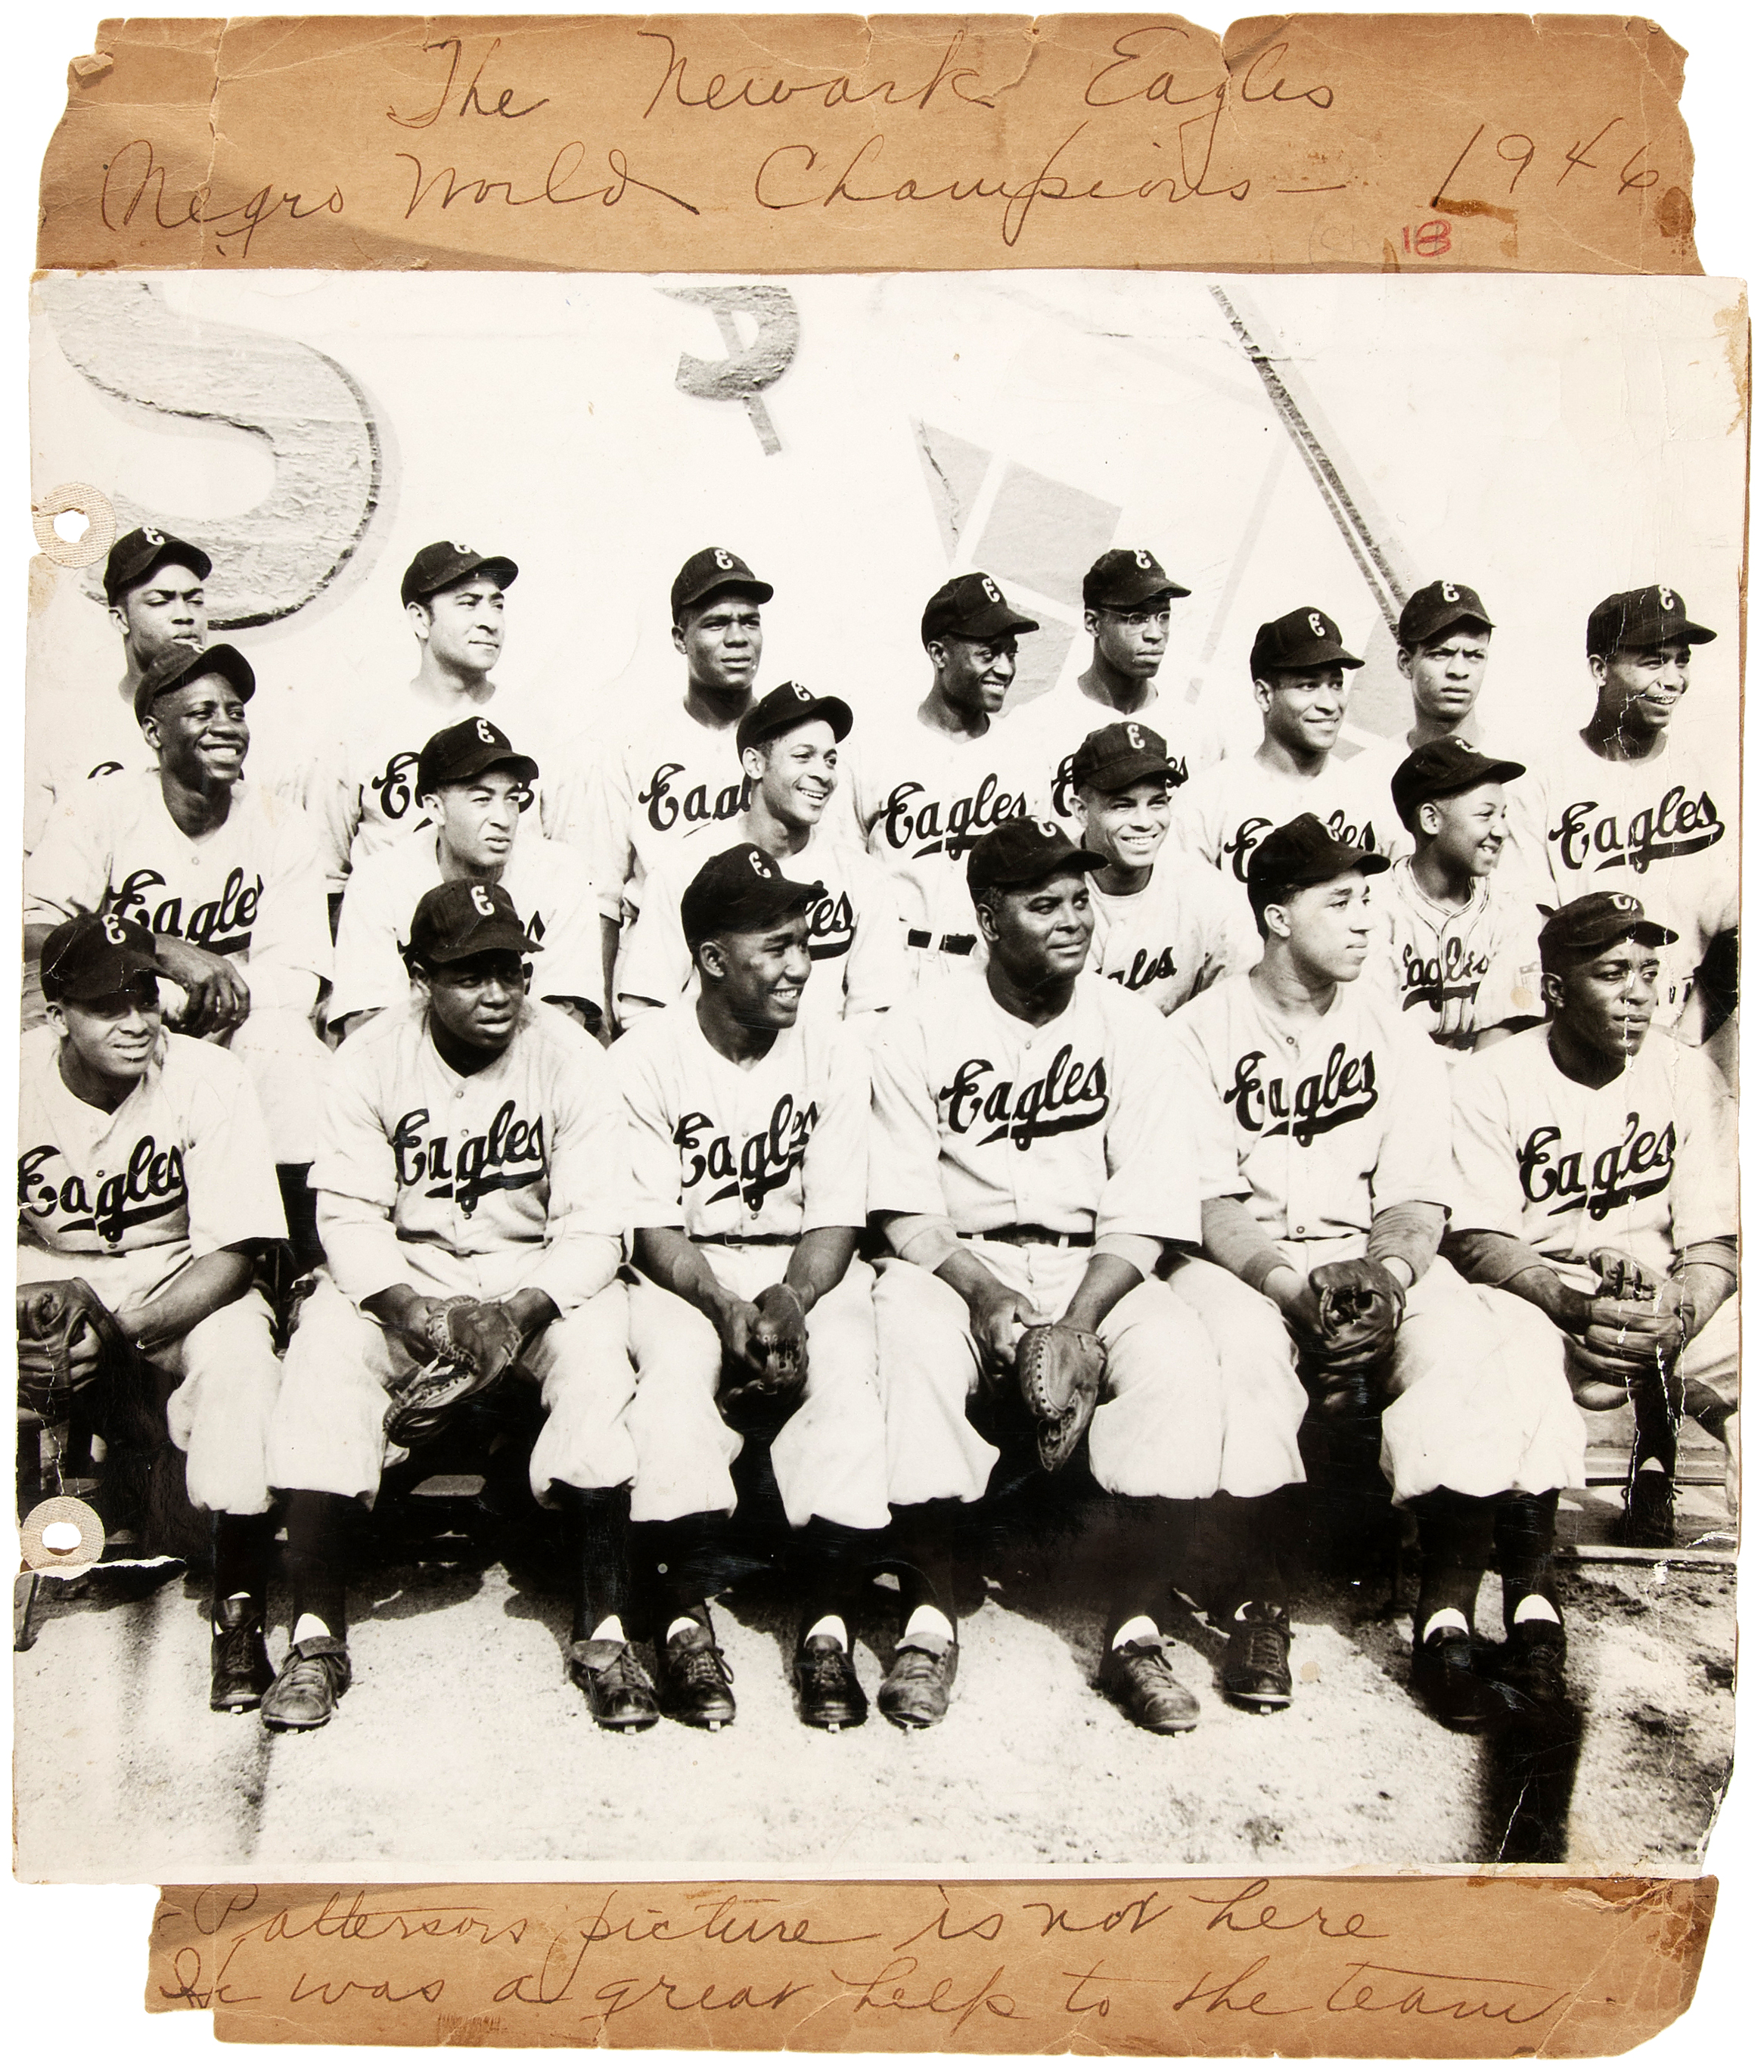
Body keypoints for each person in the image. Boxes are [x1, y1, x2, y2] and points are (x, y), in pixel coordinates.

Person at [1166, 815, 1582, 1732]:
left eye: (1368, 902)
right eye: (1340, 903)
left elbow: (1418, 1194)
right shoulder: (1196, 1033)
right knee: (1236, 1348)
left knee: (1465, 1337)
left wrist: (1390, 1277)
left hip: (1367, 1252)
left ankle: (1441, 1618)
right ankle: (1255, 1599)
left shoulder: (1393, 1033)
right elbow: (1205, 1204)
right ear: (1276, 917)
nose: (1365, 922)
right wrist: (1287, 1287)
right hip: (1245, 1266)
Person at [867, 816, 1244, 1735]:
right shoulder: (916, 1027)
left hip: (1097, 1265)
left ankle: (1137, 1626)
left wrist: (1077, 1322)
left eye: (1082, 900)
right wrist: (985, 1294)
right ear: (989, 919)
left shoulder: (1133, 1027)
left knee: (1177, 1360)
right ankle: (927, 1614)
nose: (1074, 919)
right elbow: (903, 1208)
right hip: (963, 1261)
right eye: (1045, 904)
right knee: (908, 1338)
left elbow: (1150, 1206)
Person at [261, 881, 649, 1733]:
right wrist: (426, 1316)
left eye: (510, 969)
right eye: (470, 974)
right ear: (417, 976)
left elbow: (596, 1228)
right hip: (409, 1271)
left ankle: (609, 1634)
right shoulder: (368, 1057)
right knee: (326, 1348)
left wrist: (519, 1312)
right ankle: (317, 1635)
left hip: (538, 1275)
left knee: (596, 1357)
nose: (499, 992)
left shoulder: (570, 1053)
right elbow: (349, 1223)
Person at [612, 846, 891, 1730]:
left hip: (805, 1266)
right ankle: (686, 1617)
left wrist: (793, 1300)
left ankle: (827, 1626)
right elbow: (652, 1225)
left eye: (804, 942)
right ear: (711, 959)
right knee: (671, 1379)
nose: (800, 966)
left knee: (846, 1372)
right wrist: (723, 1305)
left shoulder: (835, 1048)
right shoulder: (643, 1056)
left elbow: (839, 1213)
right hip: (686, 1272)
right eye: (774, 946)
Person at [17, 913, 289, 1713]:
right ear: (55, 1010)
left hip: (178, 1276)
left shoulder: (208, 1076)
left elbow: (235, 1253)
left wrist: (120, 1332)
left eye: (145, 994)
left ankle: (238, 1608)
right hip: (50, 1276)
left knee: (242, 1359)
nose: (136, 1021)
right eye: (107, 1004)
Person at [1447, 891, 1738, 1557]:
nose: (1637, 994)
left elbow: (1714, 1240)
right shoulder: (1490, 1078)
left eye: (1648, 973)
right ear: (1554, 989)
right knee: (1491, 1343)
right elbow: (1478, 1237)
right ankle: (1521, 1561)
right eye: (1611, 973)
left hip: (1663, 1297)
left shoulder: (1687, 1074)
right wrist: (1571, 1306)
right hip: (1544, 1297)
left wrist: (1681, 1316)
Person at [23, 641, 333, 1253]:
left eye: (236, 711)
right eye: (202, 712)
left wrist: (212, 990)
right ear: (152, 731)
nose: (226, 726)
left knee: (294, 1050)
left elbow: (299, 975)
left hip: (230, 1020)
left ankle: (287, 1259)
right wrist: (162, 953)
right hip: (119, 1011)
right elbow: (35, 932)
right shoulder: (101, 805)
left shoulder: (283, 822)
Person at [1502, 586, 1734, 1042]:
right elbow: (1529, 936)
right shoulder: (1541, 783)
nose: (1672, 679)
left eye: (1681, 660)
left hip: (1689, 1031)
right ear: (1600, 668)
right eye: (1652, 661)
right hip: (1577, 1033)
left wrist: (1687, 1038)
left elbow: (1739, 931)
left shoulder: (1707, 777)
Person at [552, 548, 770, 1019]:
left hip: (761, 971)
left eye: (749, 622)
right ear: (680, 638)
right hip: (654, 975)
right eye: (716, 624)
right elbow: (601, 896)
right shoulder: (631, 746)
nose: (738, 639)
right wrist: (602, 1014)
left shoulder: (791, 746)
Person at [615, 682, 908, 1032]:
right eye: (803, 756)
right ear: (755, 764)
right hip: (709, 1075)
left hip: (822, 1079)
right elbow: (646, 1008)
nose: (823, 774)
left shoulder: (860, 875)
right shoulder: (687, 865)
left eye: (830, 760)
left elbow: (876, 1013)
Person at [329, 716, 603, 1039]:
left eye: (511, 798)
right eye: (481, 799)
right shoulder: (379, 880)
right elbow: (368, 1027)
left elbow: (566, 1021)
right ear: (436, 809)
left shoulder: (561, 872)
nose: (503, 819)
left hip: (528, 1068)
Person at [843, 573, 1049, 981]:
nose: (1005, 669)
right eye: (988, 653)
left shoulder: (1024, 757)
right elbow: (842, 870)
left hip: (989, 969)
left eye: (1011, 653)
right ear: (940, 653)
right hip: (893, 965)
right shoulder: (873, 751)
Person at [313, 540, 537, 890]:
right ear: (420, 619)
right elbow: (325, 875)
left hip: (512, 930)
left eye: (497, 605)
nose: (490, 622)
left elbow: (577, 875)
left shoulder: (538, 724)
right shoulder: (360, 727)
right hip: (395, 936)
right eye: (469, 604)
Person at [1171, 607, 1399, 884]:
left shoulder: (1372, 797)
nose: (1329, 704)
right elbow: (1181, 911)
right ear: (1265, 695)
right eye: (1308, 686)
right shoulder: (1205, 798)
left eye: (1336, 685)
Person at [25, 526, 212, 854]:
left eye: (195, 601)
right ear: (120, 619)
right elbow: (26, 865)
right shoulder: (65, 729)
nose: (184, 616)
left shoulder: (239, 725)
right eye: (160, 601)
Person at [1016, 548, 1223, 829]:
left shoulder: (1199, 731)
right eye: (1136, 618)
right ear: (1093, 623)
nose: (1155, 634)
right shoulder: (1035, 726)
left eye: (1163, 617)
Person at [1363, 737, 1543, 1052]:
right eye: (1485, 815)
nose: (1500, 830)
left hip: (1482, 1080)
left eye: (1503, 815)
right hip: (1395, 1078)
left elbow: (1506, 1027)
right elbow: (1376, 1034)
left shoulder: (1513, 907)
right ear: (1432, 820)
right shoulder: (1372, 906)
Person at [1072, 720, 1257, 1013]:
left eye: (1157, 803)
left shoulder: (1207, 891)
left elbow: (1239, 1006)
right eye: (1123, 805)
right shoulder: (1043, 885)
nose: (1145, 822)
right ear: (1081, 811)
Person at [1349, 580, 1501, 830]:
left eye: (1474, 656)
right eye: (1440, 654)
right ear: (1406, 663)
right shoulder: (1366, 775)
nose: (1459, 671)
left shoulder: (1521, 767)